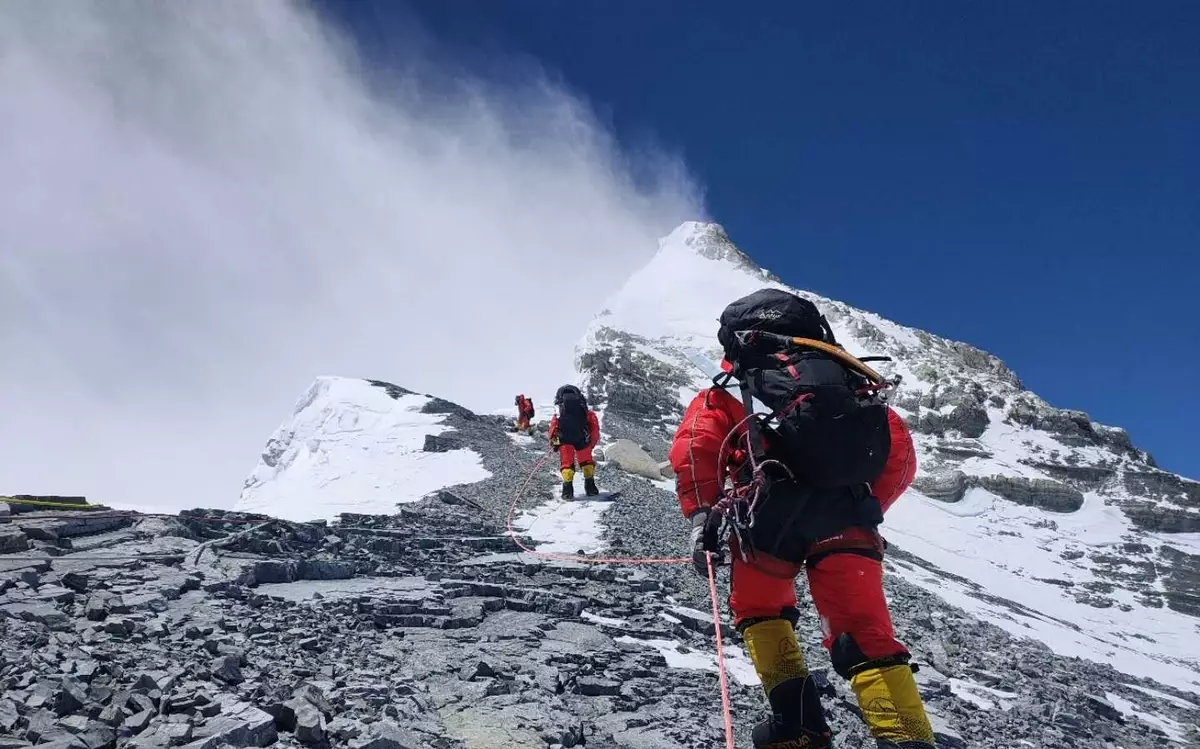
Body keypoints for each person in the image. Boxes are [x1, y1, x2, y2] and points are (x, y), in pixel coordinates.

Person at [667, 288, 934, 749]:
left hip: (767, 523)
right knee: (863, 628)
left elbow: (696, 447)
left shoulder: (735, 388)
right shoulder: (850, 381)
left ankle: (799, 728)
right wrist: (863, 513)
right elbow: (899, 457)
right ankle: (906, 738)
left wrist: (702, 516)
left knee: (761, 610)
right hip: (847, 521)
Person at [548, 384, 601, 499]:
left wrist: (554, 443)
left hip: (564, 439)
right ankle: (591, 488)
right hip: (582, 437)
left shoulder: (559, 410)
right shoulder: (584, 409)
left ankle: (567, 492)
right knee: (587, 463)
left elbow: (554, 427)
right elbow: (594, 426)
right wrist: (591, 443)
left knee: (567, 463)